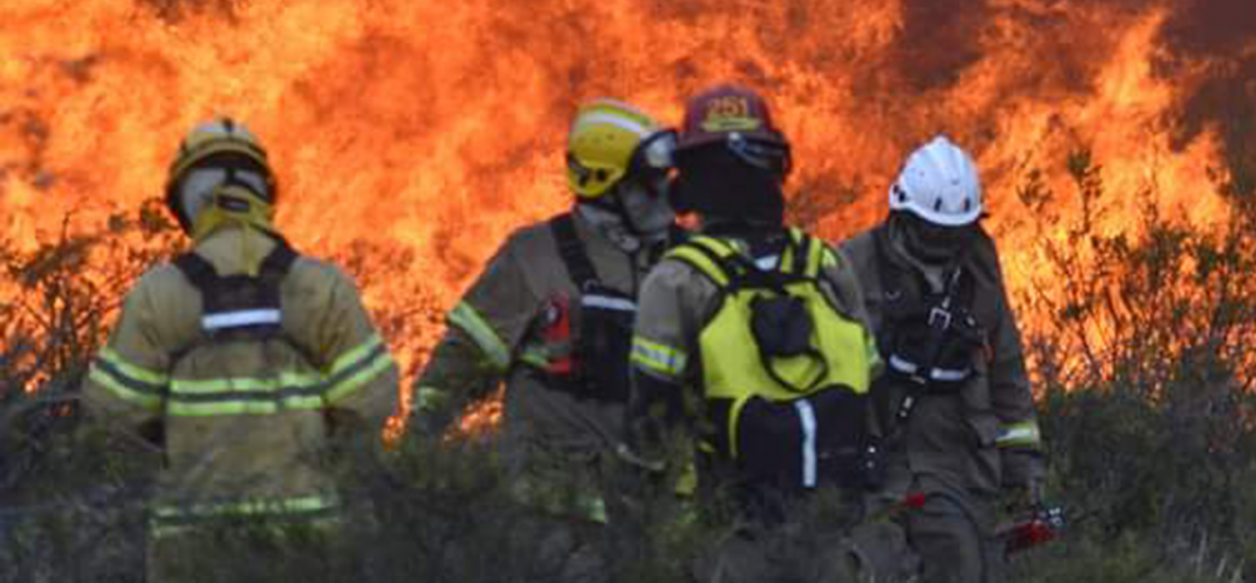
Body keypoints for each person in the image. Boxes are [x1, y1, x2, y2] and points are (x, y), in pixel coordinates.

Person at [82, 118, 399, 581]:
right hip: (306, 534)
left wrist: (176, 440)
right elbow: (369, 402)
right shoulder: (321, 286)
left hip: (192, 536)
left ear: (184, 202)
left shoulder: (159, 293)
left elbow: (113, 410)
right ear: (264, 195)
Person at [626, 83, 889, 583]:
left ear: (693, 180)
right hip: (828, 532)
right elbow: (873, 391)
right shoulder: (823, 263)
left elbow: (650, 425)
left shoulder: (678, 278)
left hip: (729, 537)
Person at [406, 98, 679, 519]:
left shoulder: (689, 260)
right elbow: (463, 360)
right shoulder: (534, 257)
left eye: (663, 181)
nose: (662, 195)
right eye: (645, 184)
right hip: (553, 512)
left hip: (661, 515)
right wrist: (414, 453)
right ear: (602, 184)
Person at [839, 136, 1045, 583]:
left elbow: (1007, 374)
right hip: (871, 456)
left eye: (953, 233)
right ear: (902, 215)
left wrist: (1023, 469)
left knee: (965, 564)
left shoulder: (979, 273)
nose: (942, 243)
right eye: (932, 230)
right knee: (869, 565)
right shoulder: (854, 264)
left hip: (954, 462)